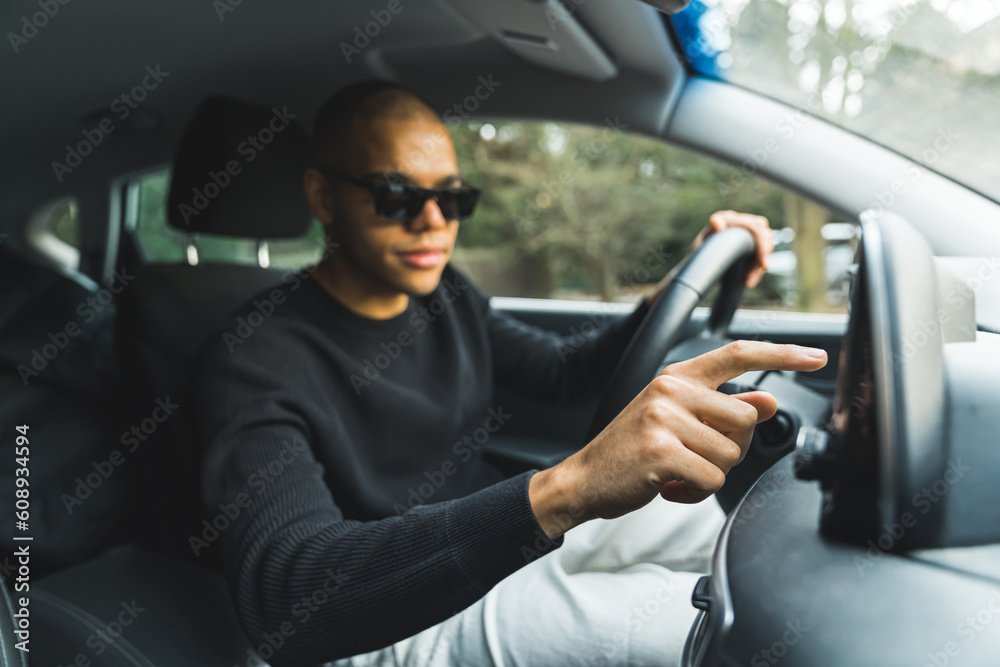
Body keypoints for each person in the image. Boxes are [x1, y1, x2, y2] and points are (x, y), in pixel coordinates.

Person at [193, 80, 827, 667]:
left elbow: (563, 373)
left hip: (493, 539)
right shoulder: (252, 361)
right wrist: (566, 488)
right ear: (323, 197)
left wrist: (677, 283)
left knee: (747, 521)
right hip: (382, 614)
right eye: (396, 196)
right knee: (691, 624)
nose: (433, 221)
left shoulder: (444, 296)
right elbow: (291, 599)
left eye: (451, 198)